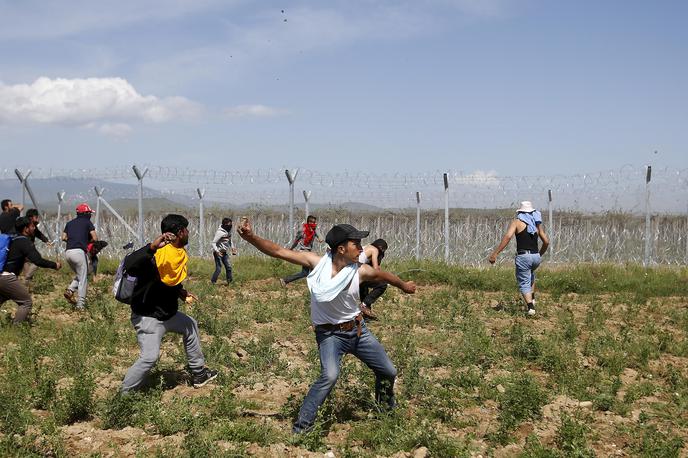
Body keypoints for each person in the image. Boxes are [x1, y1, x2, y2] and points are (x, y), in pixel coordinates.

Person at [237, 218, 416, 433]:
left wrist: (404, 285)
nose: (361, 249)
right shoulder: (316, 263)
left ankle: (385, 412)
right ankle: (302, 428)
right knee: (329, 376)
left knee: (388, 370)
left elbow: (383, 275)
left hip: (357, 331)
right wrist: (251, 237)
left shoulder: (359, 271)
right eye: (356, 244)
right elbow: (278, 251)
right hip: (330, 336)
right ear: (341, 248)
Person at [120, 214, 217, 392]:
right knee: (149, 358)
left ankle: (199, 373)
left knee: (190, 325)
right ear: (180, 232)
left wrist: (180, 291)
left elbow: (165, 280)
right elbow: (129, 263)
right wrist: (151, 247)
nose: (188, 232)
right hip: (148, 317)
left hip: (167, 314)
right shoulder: (156, 254)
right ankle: (124, 395)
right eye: (186, 229)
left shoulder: (176, 253)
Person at [489, 201, 549, 316]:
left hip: (524, 256)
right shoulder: (536, 225)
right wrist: (539, 254)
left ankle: (531, 307)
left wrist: (495, 253)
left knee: (523, 282)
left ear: (520, 212)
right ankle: (532, 299)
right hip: (535, 256)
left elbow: (507, 237)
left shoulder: (517, 222)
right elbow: (546, 242)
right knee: (530, 275)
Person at [0, 217, 61, 323]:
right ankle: (16, 331)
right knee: (26, 302)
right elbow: (38, 260)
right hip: (6, 277)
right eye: (32, 226)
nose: (34, 229)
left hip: (2, 275)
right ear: (26, 228)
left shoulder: (13, 239)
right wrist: (54, 265)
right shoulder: (24, 241)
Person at [62, 203, 98, 309]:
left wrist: (73, 239)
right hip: (79, 252)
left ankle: (70, 290)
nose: (90, 215)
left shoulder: (70, 223)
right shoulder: (88, 222)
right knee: (83, 278)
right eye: (89, 213)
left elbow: (63, 237)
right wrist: (86, 241)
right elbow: (95, 238)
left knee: (82, 273)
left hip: (68, 252)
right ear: (86, 213)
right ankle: (81, 305)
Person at [280, 215, 322, 287]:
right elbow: (296, 241)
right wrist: (291, 249)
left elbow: (320, 237)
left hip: (309, 252)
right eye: (311, 222)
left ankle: (315, 287)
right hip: (303, 252)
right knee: (306, 272)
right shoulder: (302, 231)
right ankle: (285, 280)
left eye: (314, 222)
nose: (313, 224)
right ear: (308, 222)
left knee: (313, 271)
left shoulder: (314, 230)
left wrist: (320, 238)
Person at [358, 239, 389, 320]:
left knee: (364, 286)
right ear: (381, 249)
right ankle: (364, 305)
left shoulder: (365, 247)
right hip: (356, 274)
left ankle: (365, 315)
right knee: (382, 285)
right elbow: (375, 269)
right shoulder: (375, 250)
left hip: (351, 272)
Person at [21, 208, 53, 281]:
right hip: (25, 247)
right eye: (36, 217)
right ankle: (26, 279)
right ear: (31, 217)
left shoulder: (32, 225)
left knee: (27, 268)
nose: (37, 218)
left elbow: (38, 234)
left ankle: (26, 288)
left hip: (26, 248)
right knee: (37, 261)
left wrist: (46, 241)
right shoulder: (24, 224)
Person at [210, 217, 237, 285]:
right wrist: (217, 251)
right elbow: (213, 243)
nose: (230, 226)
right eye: (228, 225)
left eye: (231, 224)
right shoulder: (220, 232)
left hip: (224, 253)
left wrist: (232, 248)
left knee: (229, 267)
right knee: (219, 269)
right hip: (218, 253)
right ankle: (213, 282)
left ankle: (230, 282)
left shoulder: (228, 231)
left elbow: (230, 240)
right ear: (224, 224)